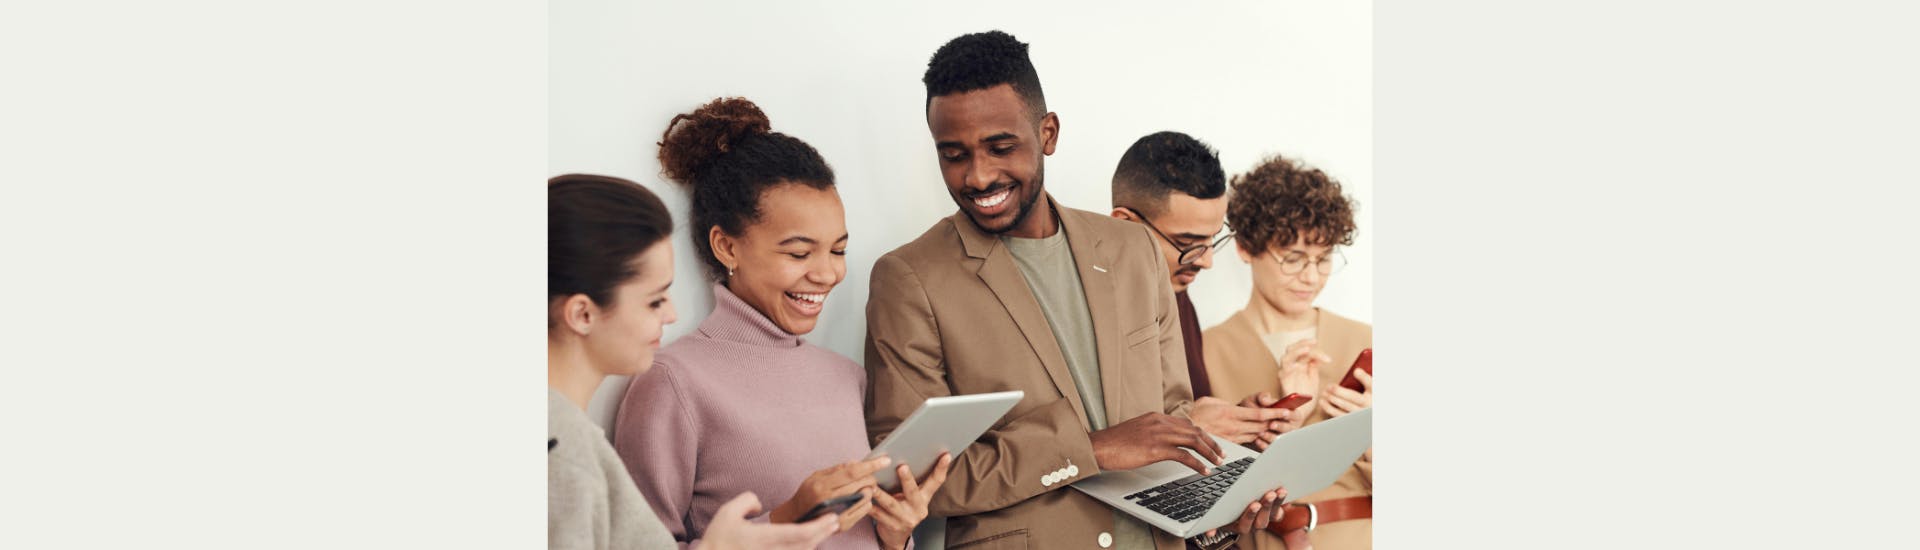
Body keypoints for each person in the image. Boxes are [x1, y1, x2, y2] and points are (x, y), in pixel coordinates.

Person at [864, 31, 1298, 550]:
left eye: (1001, 147)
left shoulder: (1132, 249)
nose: (977, 176)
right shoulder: (909, 279)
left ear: (1048, 133)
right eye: (953, 154)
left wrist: (1224, 502)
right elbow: (911, 481)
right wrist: (1088, 448)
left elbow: (1170, 419)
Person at [613, 98, 949, 550]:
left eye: (838, 250)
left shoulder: (847, 377)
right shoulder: (673, 382)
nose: (827, 273)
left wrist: (896, 536)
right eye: (798, 253)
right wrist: (787, 517)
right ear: (726, 247)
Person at [548, 174, 841, 550]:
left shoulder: (571, 438)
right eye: (654, 300)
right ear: (582, 314)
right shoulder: (561, 447)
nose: (671, 314)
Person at [1201, 156, 1372, 549]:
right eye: (1293, 258)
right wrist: (1281, 426)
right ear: (1246, 247)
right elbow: (1200, 489)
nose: (1311, 277)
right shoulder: (1206, 349)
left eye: (1323, 258)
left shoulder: (1365, 341)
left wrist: (1371, 433)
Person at [1110, 131, 1292, 452]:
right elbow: (1085, 446)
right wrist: (1188, 427)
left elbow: (1187, 416)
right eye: (1188, 244)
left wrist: (1239, 423)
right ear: (1124, 224)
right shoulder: (1083, 306)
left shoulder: (1176, 290)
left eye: (1212, 241)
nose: (1206, 262)